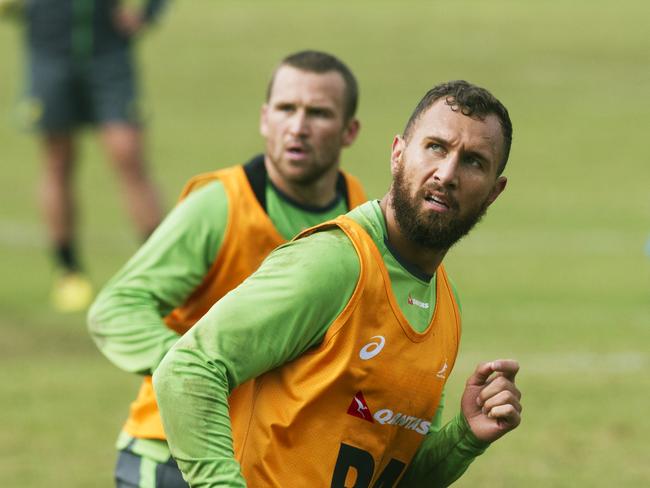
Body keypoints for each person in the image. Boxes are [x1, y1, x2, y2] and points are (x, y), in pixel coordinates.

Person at [153, 80, 523, 487]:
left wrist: (463, 439)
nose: (447, 173)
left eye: (473, 162)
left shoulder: (444, 310)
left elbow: (391, 476)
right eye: (435, 147)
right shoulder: (333, 262)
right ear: (398, 154)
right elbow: (189, 368)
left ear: (494, 192)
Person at [88, 50, 366, 488]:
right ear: (264, 118)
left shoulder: (356, 214)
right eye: (286, 109)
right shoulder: (219, 205)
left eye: (318, 113)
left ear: (349, 131)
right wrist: (201, 371)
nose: (298, 126)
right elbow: (116, 309)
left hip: (264, 460)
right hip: (168, 456)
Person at [20, 0, 168, 311]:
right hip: (49, 51)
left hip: (108, 51)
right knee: (58, 161)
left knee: (128, 155)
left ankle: (163, 271)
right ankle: (68, 270)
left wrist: (149, 12)